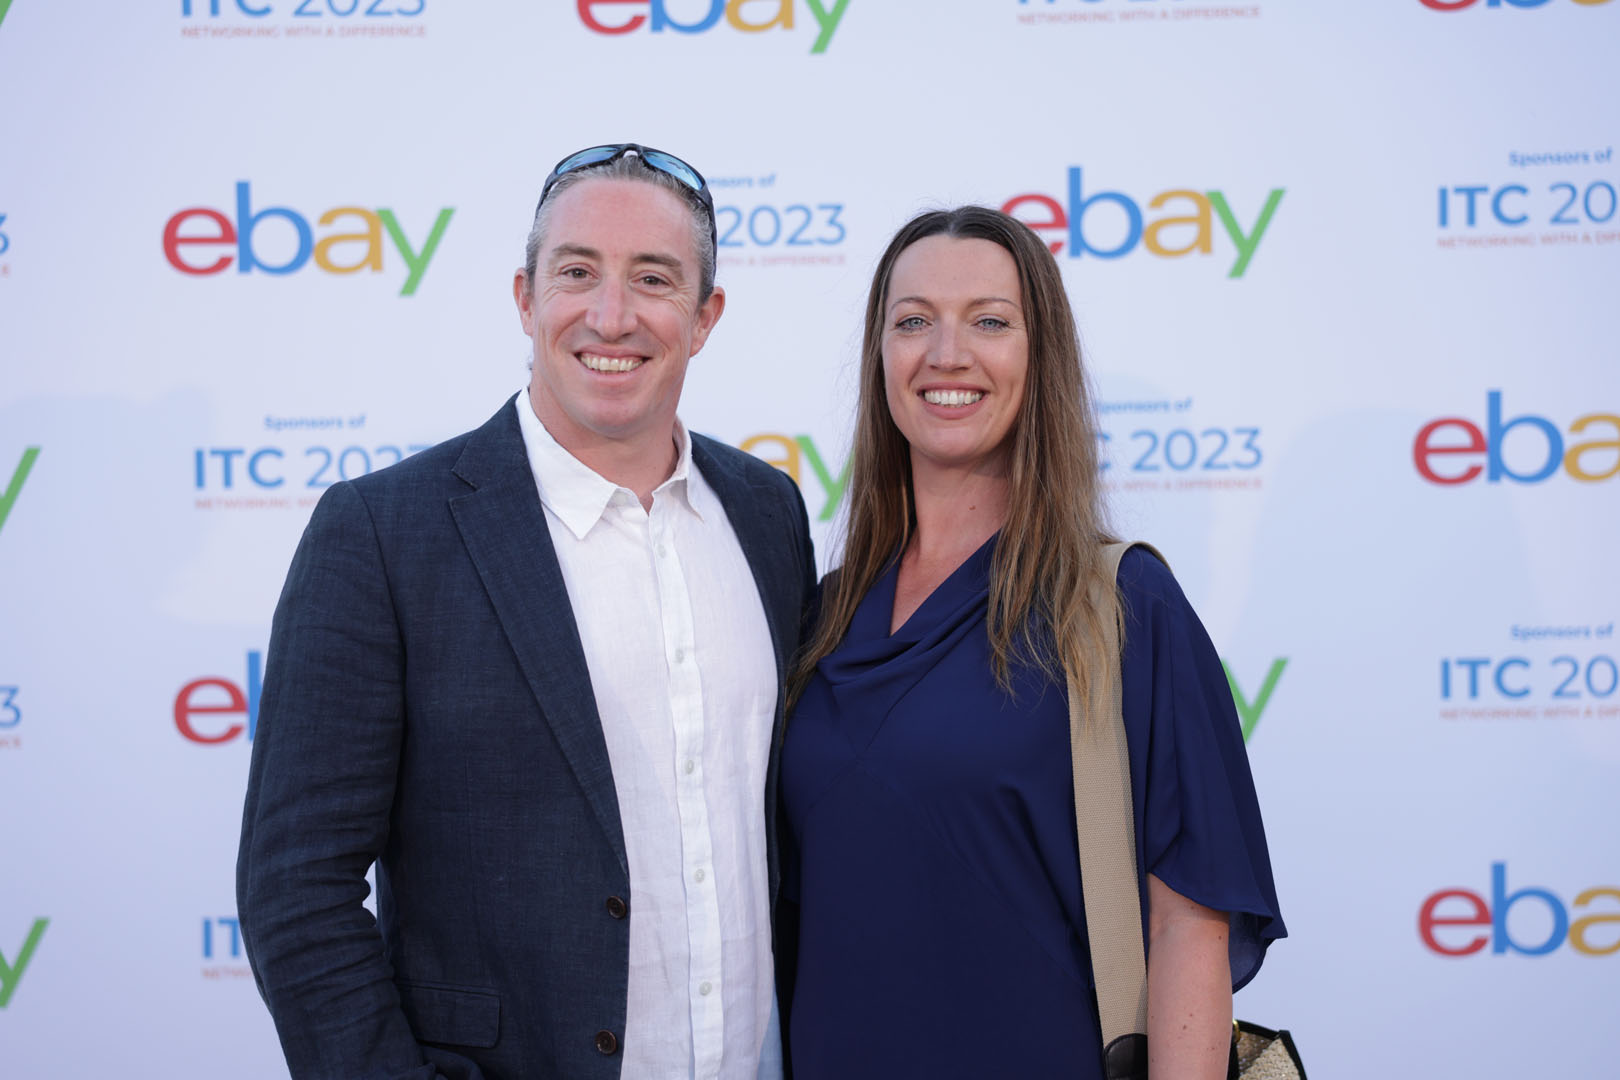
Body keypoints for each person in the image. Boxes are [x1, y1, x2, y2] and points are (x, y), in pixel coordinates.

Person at [237, 143, 816, 1080]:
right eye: (577, 273)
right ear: (524, 298)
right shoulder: (384, 533)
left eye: (653, 279)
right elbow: (296, 886)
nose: (611, 315)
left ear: (706, 317)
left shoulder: (766, 511)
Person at [779, 206, 1285, 1079]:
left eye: (989, 322)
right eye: (913, 322)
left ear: (1039, 356)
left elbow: (1187, 926)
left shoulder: (1122, 606)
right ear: (880, 357)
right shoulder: (824, 614)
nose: (947, 354)